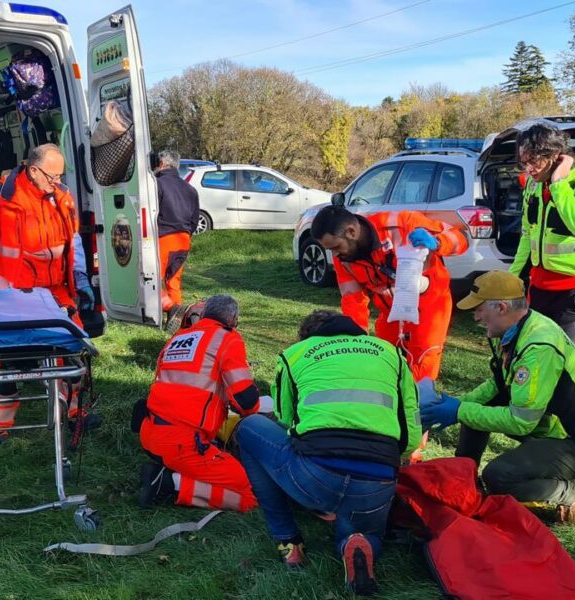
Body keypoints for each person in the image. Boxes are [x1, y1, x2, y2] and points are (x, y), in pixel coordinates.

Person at [236, 310, 421, 596]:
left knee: (248, 428)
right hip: (376, 480)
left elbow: (286, 420)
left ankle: (288, 540)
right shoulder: (391, 354)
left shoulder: (294, 355)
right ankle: (357, 543)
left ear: (307, 336)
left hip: (315, 475)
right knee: (368, 531)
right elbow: (410, 431)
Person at [421, 271, 575, 527]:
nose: (474, 316)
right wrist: (455, 404)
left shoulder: (538, 346)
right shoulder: (515, 330)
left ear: (501, 307)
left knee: (499, 477)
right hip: (551, 426)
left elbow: (521, 422)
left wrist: (459, 411)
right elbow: (498, 384)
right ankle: (463, 480)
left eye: (478, 309)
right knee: (474, 408)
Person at [0, 143, 98, 436]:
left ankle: (73, 413)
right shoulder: (0, 200)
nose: (57, 182)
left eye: (60, 176)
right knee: (4, 363)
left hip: (55, 293)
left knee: (73, 353)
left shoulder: (63, 199)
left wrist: (81, 280)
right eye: (52, 176)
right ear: (33, 170)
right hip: (10, 296)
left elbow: (74, 243)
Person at [311, 205, 468, 381]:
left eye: (336, 246)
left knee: (423, 361)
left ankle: (419, 404)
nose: (334, 254)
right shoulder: (343, 257)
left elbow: (460, 238)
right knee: (382, 359)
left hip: (430, 305)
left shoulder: (401, 223)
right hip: (390, 311)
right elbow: (352, 300)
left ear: (351, 232)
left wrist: (437, 243)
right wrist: (356, 339)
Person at [138, 294, 263, 512]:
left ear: (203, 314)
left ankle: (173, 471)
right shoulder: (227, 338)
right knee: (248, 492)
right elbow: (245, 399)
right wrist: (256, 412)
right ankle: (169, 484)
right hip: (184, 443)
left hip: (150, 433)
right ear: (233, 320)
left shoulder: (177, 338)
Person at [510, 124, 575, 348]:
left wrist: (558, 185)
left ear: (554, 155)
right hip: (541, 285)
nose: (529, 169)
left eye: (534, 161)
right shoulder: (533, 186)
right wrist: (513, 280)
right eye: (524, 163)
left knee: (564, 357)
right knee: (536, 351)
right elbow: (528, 235)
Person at [154, 149, 199, 334]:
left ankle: (170, 307)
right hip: (184, 240)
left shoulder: (156, 184)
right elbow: (195, 219)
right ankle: (179, 322)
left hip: (164, 238)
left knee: (150, 281)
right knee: (174, 281)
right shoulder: (190, 189)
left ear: (162, 164)